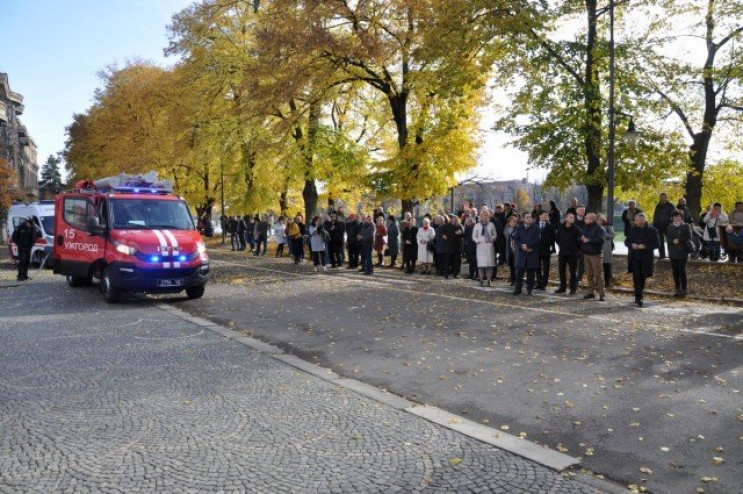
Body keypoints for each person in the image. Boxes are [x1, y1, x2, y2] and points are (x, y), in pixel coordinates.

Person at [625, 213, 659, 307]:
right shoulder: (632, 230)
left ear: (643, 220)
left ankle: (639, 294)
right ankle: (638, 297)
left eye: (637, 220)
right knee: (636, 277)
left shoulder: (652, 231)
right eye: (635, 220)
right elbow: (626, 241)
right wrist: (632, 245)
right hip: (634, 256)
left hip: (646, 257)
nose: (635, 222)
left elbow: (657, 244)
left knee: (643, 277)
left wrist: (645, 246)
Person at [580, 213, 606, 301]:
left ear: (591, 219)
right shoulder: (585, 227)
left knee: (598, 274)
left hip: (595, 255)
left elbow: (602, 239)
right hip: (586, 254)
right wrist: (582, 238)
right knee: (589, 275)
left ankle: (602, 294)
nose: (584, 220)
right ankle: (591, 292)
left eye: (586, 218)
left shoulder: (599, 228)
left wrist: (590, 240)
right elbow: (582, 237)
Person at [512, 212, 540, 295]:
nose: (529, 219)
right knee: (519, 272)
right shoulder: (519, 228)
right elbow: (516, 239)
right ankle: (518, 289)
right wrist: (522, 246)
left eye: (530, 217)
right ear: (523, 219)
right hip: (522, 253)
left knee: (531, 273)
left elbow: (537, 239)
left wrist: (528, 246)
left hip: (532, 252)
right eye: (527, 217)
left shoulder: (536, 228)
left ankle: (529, 289)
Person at [555, 212, 582, 295]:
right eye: (570, 217)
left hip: (573, 253)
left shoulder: (577, 229)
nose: (572, 219)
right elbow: (557, 239)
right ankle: (562, 287)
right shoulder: (560, 228)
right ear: (566, 218)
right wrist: (562, 246)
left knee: (573, 271)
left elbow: (579, 242)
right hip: (563, 252)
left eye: (573, 218)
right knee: (562, 270)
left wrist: (574, 248)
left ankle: (573, 288)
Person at [667, 211, 692, 297]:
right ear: (672, 218)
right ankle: (677, 289)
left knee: (681, 270)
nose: (677, 218)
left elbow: (689, 236)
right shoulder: (670, 227)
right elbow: (668, 237)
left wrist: (680, 240)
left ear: (681, 217)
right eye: (675, 216)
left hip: (682, 251)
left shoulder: (685, 226)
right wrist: (672, 241)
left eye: (679, 216)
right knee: (675, 271)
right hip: (673, 252)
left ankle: (684, 289)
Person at [473, 211, 497, 286]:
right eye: (484, 215)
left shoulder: (491, 225)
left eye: (487, 215)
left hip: (489, 246)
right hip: (480, 246)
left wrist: (493, 238)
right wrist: (477, 241)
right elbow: (474, 236)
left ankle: (489, 279)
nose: (485, 217)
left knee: (489, 264)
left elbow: (494, 234)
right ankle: (481, 279)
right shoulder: (477, 225)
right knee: (481, 264)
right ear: (481, 216)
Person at [535, 211, 555, 290]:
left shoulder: (550, 226)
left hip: (546, 249)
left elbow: (553, 238)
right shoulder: (535, 225)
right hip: (536, 249)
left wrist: (553, 248)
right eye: (545, 215)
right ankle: (538, 283)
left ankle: (544, 283)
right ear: (540, 216)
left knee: (546, 268)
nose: (547, 217)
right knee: (537, 267)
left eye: (547, 216)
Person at [440, 214, 464, 279]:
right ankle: (446, 274)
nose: (455, 222)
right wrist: (443, 235)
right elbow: (441, 232)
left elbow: (463, 234)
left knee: (456, 262)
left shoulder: (460, 226)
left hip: (457, 247)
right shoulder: (446, 226)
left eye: (456, 221)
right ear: (451, 220)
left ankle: (455, 274)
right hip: (448, 246)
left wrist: (460, 232)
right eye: (454, 220)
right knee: (447, 261)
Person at [653, 193, 675, 259]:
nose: (662, 198)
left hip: (667, 225)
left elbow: (674, 215)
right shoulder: (658, 205)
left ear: (666, 197)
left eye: (663, 197)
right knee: (660, 241)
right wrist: (655, 223)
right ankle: (662, 255)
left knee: (669, 241)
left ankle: (671, 255)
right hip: (659, 225)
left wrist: (671, 223)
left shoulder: (670, 205)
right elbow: (655, 215)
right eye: (661, 197)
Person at [597, 214, 615, 287]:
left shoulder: (608, 226)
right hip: (597, 248)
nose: (599, 221)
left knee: (607, 265)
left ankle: (607, 282)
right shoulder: (594, 226)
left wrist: (603, 235)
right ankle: (598, 282)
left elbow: (612, 234)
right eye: (598, 220)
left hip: (606, 248)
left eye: (601, 220)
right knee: (597, 267)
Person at [504, 215, 519, 285]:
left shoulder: (518, 229)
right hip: (509, 250)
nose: (513, 223)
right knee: (512, 266)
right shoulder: (507, 230)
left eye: (514, 222)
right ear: (509, 223)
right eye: (511, 222)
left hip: (516, 250)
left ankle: (517, 280)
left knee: (517, 266)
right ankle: (513, 280)